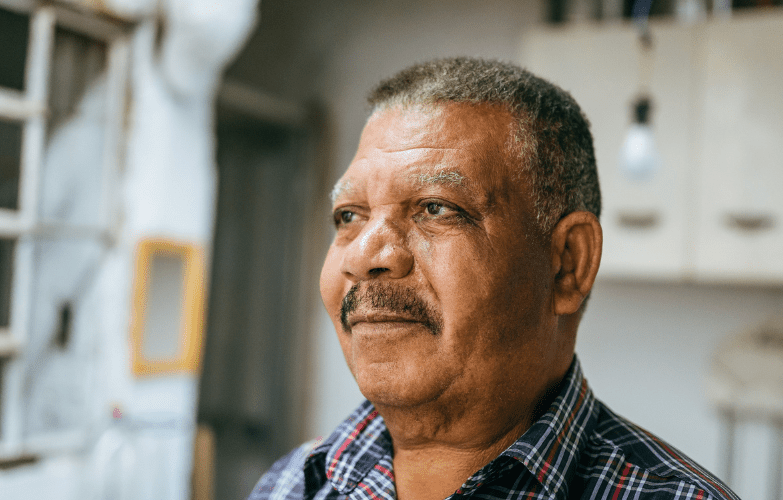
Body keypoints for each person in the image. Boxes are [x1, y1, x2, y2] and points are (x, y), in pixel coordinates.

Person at [247, 58, 737, 500]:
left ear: (567, 263)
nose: (363, 256)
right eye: (349, 216)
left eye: (436, 208)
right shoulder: (292, 485)